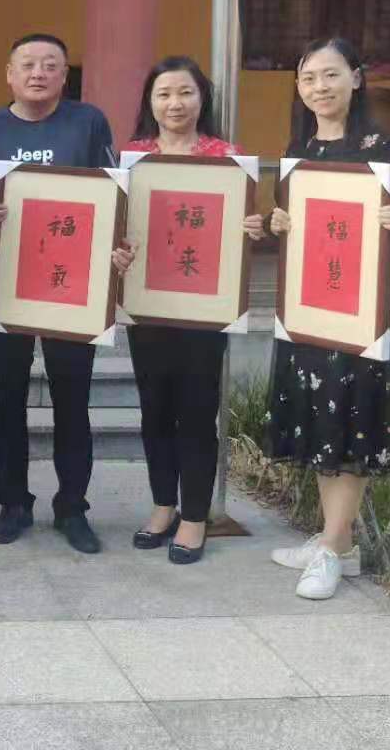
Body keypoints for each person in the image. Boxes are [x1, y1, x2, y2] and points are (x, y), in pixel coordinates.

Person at [263, 37, 390, 599]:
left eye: (330, 75)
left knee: (351, 418)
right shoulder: (302, 147)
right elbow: (289, 224)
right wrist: (279, 224)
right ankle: (339, 542)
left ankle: (333, 548)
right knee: (319, 419)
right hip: (311, 309)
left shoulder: (381, 147)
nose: (320, 88)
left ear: (355, 79)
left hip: (358, 315)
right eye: (309, 79)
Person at [0, 32, 125, 555]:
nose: (39, 73)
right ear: (9, 73)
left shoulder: (88, 122)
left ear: (64, 75)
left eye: (51, 65)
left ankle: (72, 507)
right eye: (28, 64)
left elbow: (112, 192)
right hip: (6, 283)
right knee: (6, 399)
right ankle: (12, 503)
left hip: (71, 287)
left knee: (72, 400)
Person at [122, 57, 266, 564]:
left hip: (205, 310)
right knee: (154, 409)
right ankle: (163, 505)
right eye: (164, 94)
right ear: (150, 102)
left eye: (185, 92)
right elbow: (121, 227)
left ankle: (195, 516)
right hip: (148, 305)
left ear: (201, 98)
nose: (175, 103)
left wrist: (251, 230)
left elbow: (241, 227)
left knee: (197, 412)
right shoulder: (132, 158)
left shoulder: (226, 157)